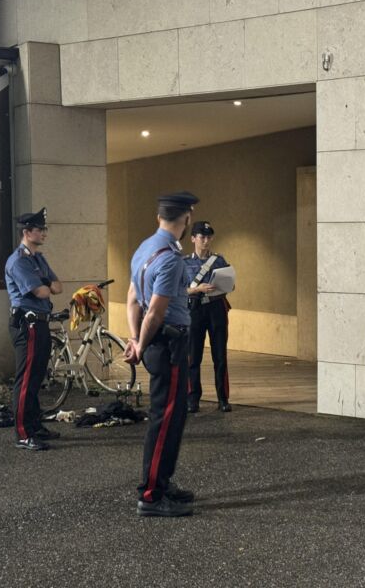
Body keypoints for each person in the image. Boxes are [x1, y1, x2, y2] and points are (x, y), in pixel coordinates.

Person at [124, 191, 199, 517]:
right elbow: (155, 312)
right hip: (168, 344)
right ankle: (152, 495)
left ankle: (162, 482)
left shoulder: (145, 248)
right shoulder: (170, 258)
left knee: (172, 416)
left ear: (159, 218)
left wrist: (134, 338)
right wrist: (140, 344)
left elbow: (132, 298)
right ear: (187, 219)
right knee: (166, 419)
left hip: (157, 341)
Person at [4, 207, 63, 451]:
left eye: (44, 229)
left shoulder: (38, 258)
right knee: (26, 379)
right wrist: (45, 284)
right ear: (27, 232)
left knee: (37, 377)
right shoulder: (19, 261)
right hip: (26, 324)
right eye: (40, 229)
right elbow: (41, 291)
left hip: (40, 323)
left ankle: (35, 425)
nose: (44, 233)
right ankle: (22, 433)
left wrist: (46, 284)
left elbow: (57, 287)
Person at [184, 221, 232, 413]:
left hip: (216, 308)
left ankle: (223, 398)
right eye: (202, 237)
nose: (206, 240)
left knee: (220, 355)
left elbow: (230, 284)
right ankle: (193, 398)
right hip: (195, 309)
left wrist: (226, 285)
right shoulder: (184, 263)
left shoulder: (219, 261)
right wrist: (197, 289)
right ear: (193, 239)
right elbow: (178, 290)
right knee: (193, 357)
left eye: (209, 237)